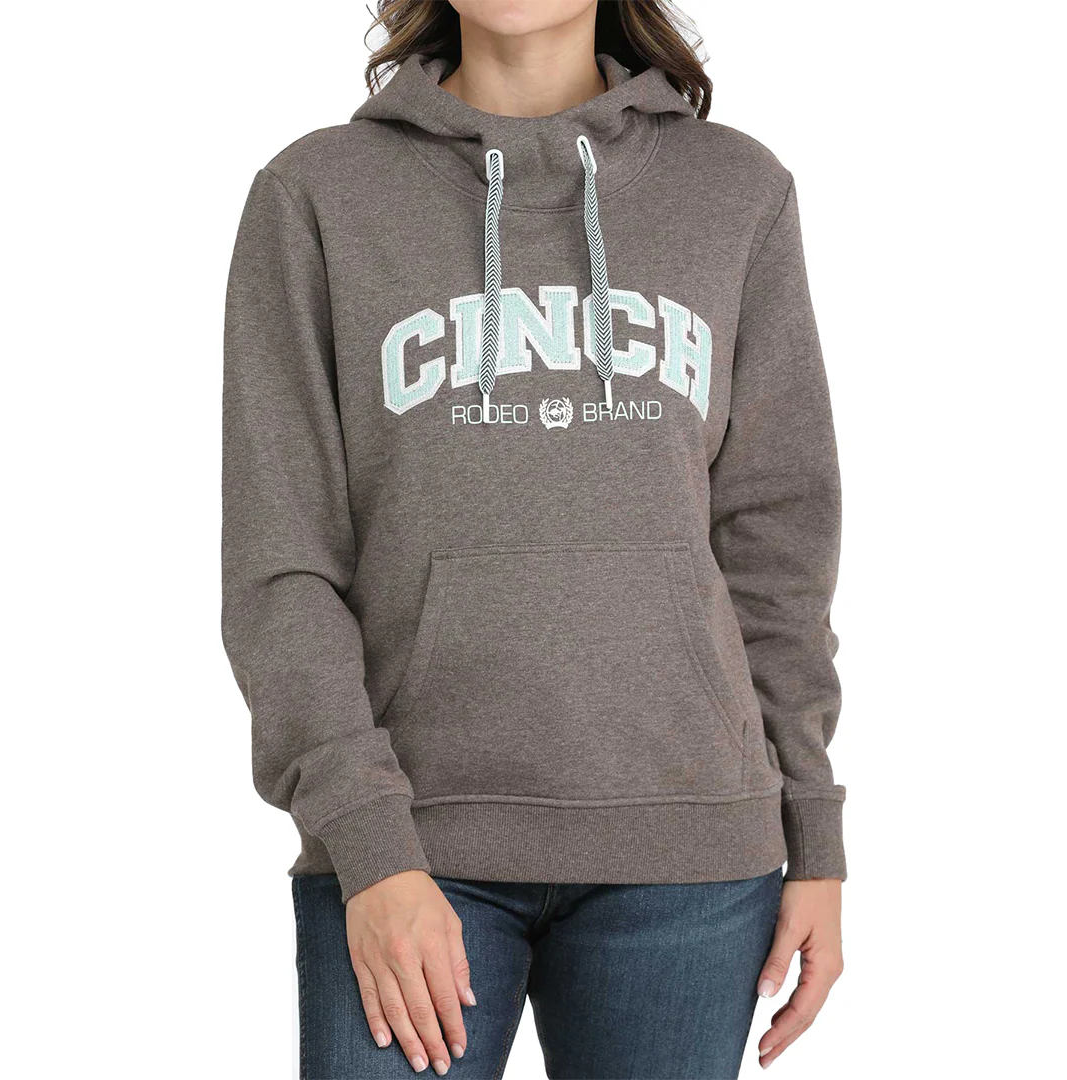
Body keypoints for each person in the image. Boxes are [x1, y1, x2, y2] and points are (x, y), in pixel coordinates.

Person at [221, 2, 846, 1076]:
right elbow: (281, 564)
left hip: (691, 854)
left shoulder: (736, 191)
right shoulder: (317, 193)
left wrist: (814, 832)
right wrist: (368, 840)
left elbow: (775, 546)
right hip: (408, 847)